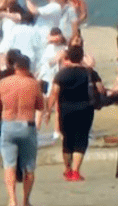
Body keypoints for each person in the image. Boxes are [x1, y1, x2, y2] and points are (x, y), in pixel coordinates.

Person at [0, 54, 45, 206]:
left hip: (8, 125)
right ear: (28, 68)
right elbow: (40, 106)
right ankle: (26, 201)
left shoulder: (3, 82)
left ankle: (12, 200)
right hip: (27, 125)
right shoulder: (33, 84)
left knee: (9, 165)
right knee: (29, 165)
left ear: (15, 67)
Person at [44, 44, 104, 181]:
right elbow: (101, 90)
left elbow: (54, 93)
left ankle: (67, 169)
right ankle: (76, 172)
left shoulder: (61, 74)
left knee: (67, 140)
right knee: (81, 139)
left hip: (66, 110)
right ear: (82, 57)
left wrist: (48, 111)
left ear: (68, 57)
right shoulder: (90, 72)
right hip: (85, 109)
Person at [37, 26, 67, 94]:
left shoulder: (65, 49)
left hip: (56, 76)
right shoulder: (49, 47)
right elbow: (43, 63)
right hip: (45, 76)